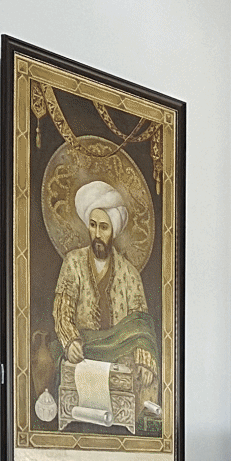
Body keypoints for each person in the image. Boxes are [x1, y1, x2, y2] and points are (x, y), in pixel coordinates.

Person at [51, 180, 159, 420]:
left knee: (144, 381)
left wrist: (145, 358)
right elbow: (62, 311)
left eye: (104, 227)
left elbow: (140, 327)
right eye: (92, 225)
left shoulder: (130, 274)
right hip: (84, 349)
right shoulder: (73, 263)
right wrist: (70, 341)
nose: (97, 234)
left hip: (119, 354)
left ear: (114, 230)